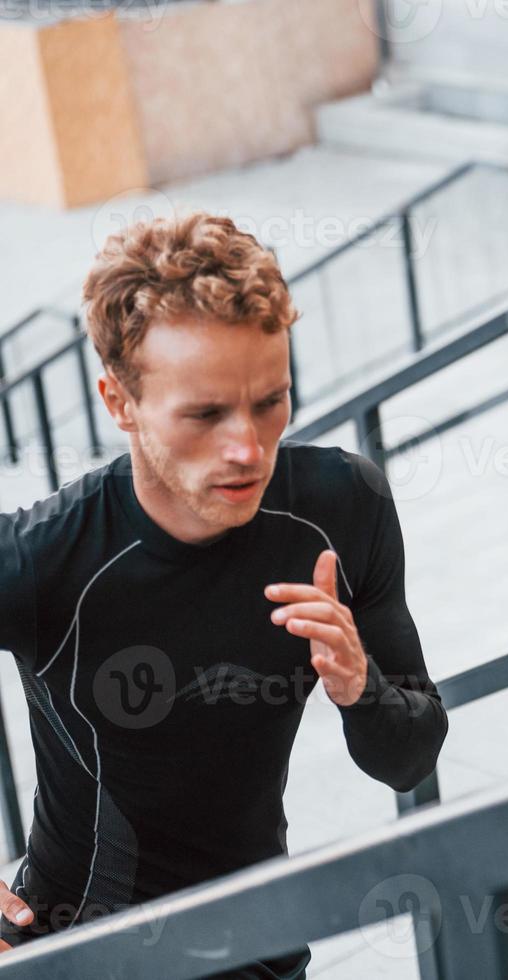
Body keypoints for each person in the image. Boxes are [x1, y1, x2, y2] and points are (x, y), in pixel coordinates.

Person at [0, 213, 448, 978]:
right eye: (205, 414)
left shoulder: (342, 506)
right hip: (76, 955)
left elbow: (410, 758)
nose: (248, 447)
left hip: (258, 947)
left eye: (271, 401)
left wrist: (358, 685)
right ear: (119, 402)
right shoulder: (41, 557)